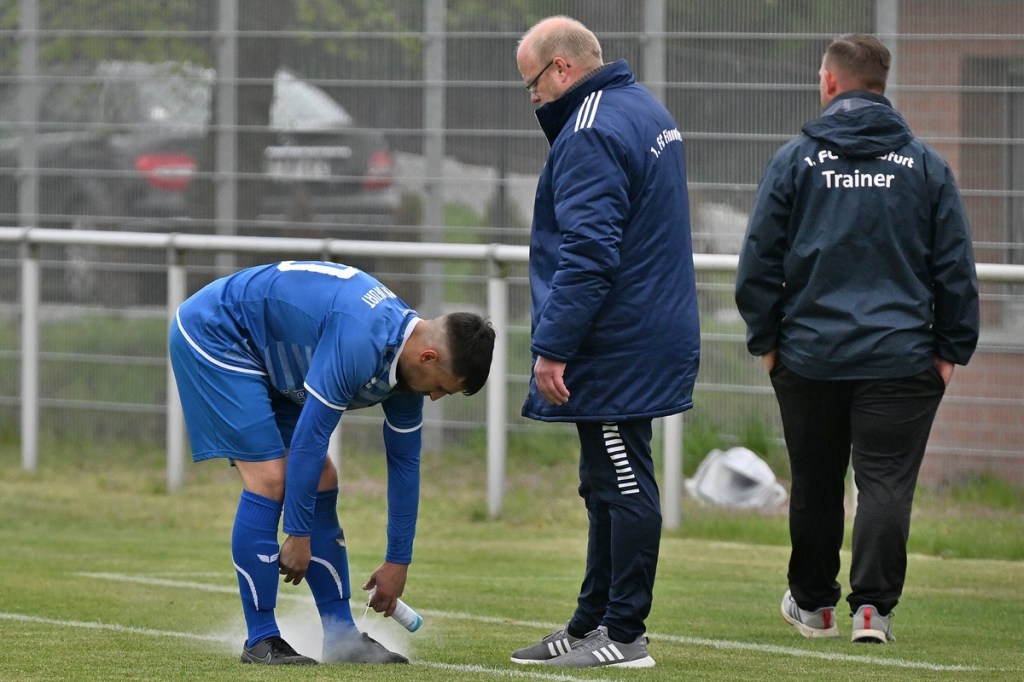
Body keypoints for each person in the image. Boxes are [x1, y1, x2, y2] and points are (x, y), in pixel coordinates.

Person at [735, 34, 979, 644]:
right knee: (885, 485)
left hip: (810, 354)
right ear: (881, 86)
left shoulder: (796, 161)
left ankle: (815, 606)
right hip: (902, 356)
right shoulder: (925, 166)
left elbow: (759, 261)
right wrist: (950, 350)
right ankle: (872, 611)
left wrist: (767, 341)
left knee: (815, 482)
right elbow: (955, 267)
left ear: (829, 82)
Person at [168, 260, 495, 665]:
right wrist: (297, 533)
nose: (435, 398)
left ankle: (343, 639)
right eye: (442, 387)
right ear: (428, 357)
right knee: (270, 479)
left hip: (269, 354)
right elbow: (310, 439)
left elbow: (405, 466)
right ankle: (261, 640)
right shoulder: (362, 340)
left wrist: (398, 561)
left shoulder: (407, 367)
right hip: (216, 331)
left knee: (322, 477)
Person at [509, 16, 701, 669]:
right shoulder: (643, 108)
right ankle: (590, 623)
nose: (533, 97)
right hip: (644, 327)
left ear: (561, 67)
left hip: (619, 340)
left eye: (533, 83)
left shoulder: (591, 128)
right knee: (603, 482)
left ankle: (624, 634)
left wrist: (554, 345)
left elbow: (589, 252)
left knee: (620, 478)